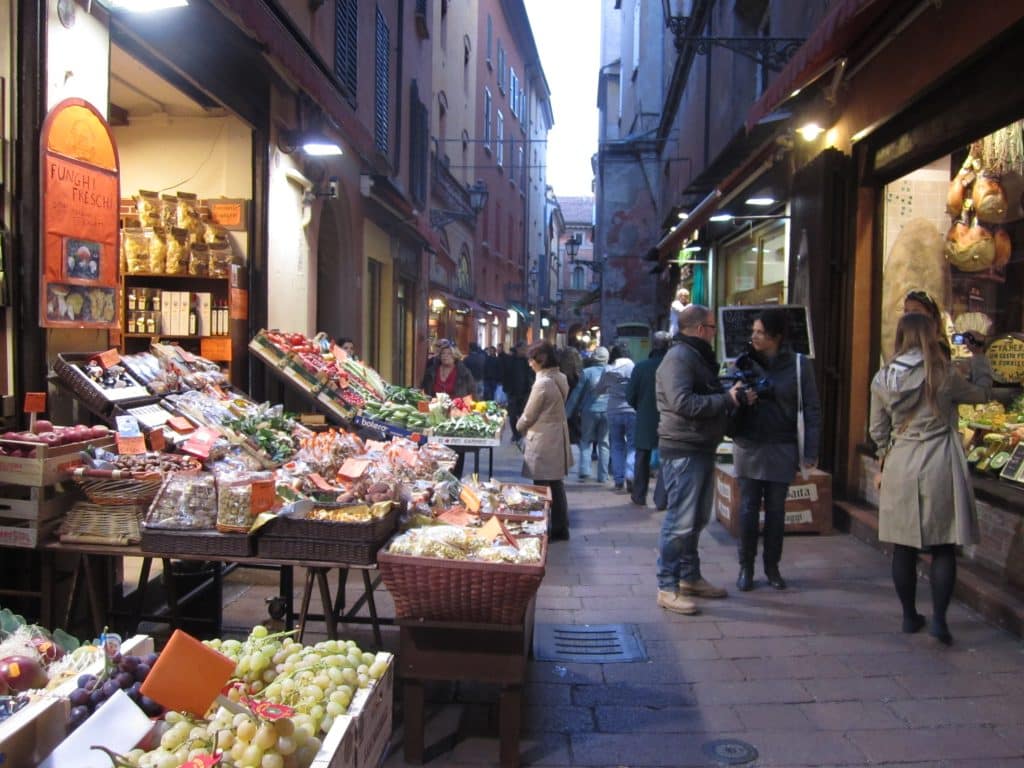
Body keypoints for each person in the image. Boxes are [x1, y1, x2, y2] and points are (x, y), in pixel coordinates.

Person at [869, 312, 992, 645]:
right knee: (943, 545)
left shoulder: (882, 378)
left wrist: (884, 456)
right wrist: (980, 358)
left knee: (903, 546)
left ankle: (909, 616)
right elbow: (982, 395)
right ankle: (939, 620)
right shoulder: (943, 375)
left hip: (901, 460)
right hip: (939, 459)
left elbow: (877, 430)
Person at [655, 304, 748, 615]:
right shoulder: (679, 358)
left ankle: (689, 577)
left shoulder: (694, 356)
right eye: (711, 327)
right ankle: (667, 587)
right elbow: (682, 402)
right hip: (683, 448)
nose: (714, 333)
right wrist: (726, 399)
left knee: (695, 520)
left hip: (699, 445)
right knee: (680, 521)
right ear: (698, 330)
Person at [729, 309, 821, 592]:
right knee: (747, 509)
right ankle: (746, 567)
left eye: (760, 332)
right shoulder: (743, 362)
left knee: (777, 511)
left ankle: (772, 567)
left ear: (776, 336)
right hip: (749, 443)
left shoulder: (798, 364)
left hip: (782, 444)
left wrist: (811, 451)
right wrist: (741, 397)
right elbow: (729, 400)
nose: (753, 336)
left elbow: (812, 408)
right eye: (753, 331)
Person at [517, 341, 573, 540]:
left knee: (541, 485)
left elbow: (530, 414)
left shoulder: (542, 383)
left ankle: (542, 526)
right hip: (556, 435)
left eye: (532, 360)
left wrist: (519, 426)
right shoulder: (560, 377)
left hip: (542, 438)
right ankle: (560, 526)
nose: (530, 363)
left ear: (541, 360)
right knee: (556, 483)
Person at [626, 331, 670, 506]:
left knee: (642, 457)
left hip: (645, 417)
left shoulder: (641, 367)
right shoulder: (673, 366)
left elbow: (630, 395)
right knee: (667, 458)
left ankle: (639, 494)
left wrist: (641, 407)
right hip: (668, 417)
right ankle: (661, 499)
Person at [565, 346, 610, 482]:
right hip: (608, 410)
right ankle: (603, 475)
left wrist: (567, 412)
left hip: (589, 411)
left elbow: (576, 393)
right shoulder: (612, 371)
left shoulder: (587, 372)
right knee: (604, 442)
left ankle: (585, 470)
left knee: (585, 440)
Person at [598, 345, 636, 492]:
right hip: (632, 410)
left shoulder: (608, 370)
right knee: (632, 445)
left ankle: (618, 480)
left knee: (616, 445)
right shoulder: (634, 367)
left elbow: (599, 389)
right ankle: (630, 473)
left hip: (613, 410)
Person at [503, 342, 534, 444]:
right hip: (513, 392)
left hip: (525, 392)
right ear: (518, 349)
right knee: (512, 415)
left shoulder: (528, 361)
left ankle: (522, 433)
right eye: (523, 349)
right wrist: (507, 389)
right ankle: (515, 434)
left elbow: (531, 374)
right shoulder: (510, 360)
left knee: (524, 415)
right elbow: (505, 374)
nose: (525, 351)